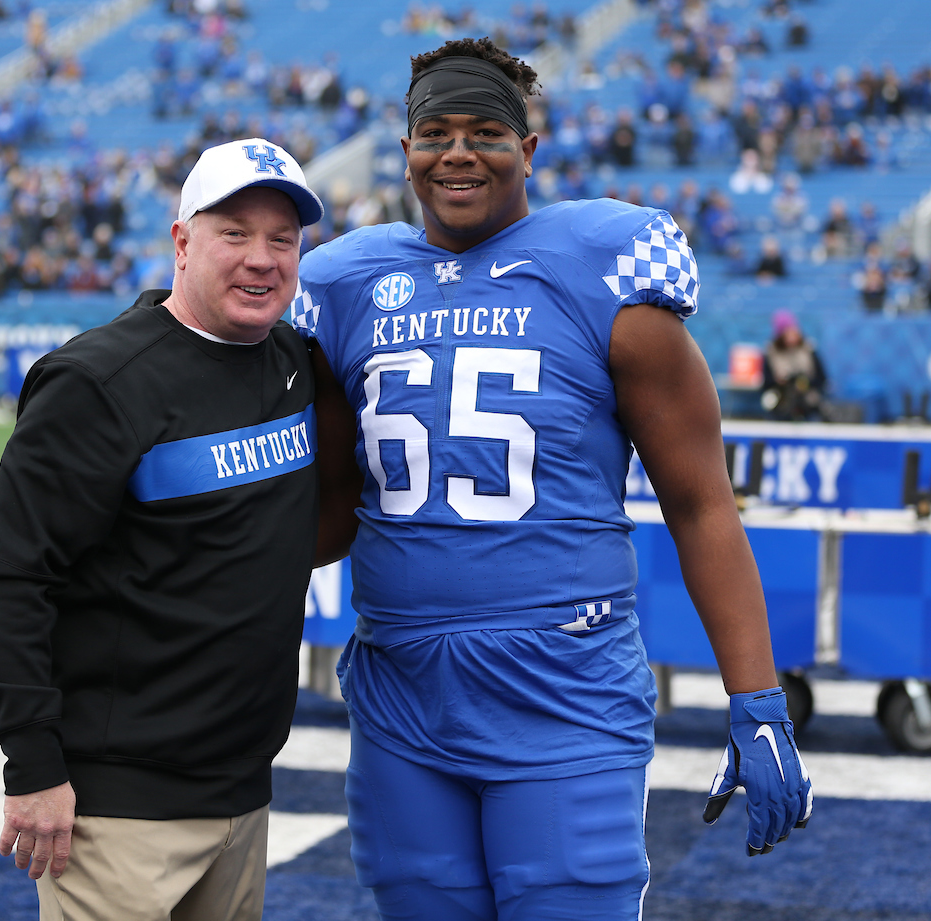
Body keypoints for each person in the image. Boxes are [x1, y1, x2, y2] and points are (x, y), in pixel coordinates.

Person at [295, 37, 812, 921]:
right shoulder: (345, 283)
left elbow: (699, 502)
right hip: (400, 684)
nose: (458, 153)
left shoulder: (601, 271)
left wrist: (756, 694)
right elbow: (329, 511)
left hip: (563, 680)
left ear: (528, 150)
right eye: (436, 133)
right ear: (407, 149)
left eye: (487, 131)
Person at [0, 138, 325, 921]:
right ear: (181, 240)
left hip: (245, 791)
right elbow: (9, 584)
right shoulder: (97, 384)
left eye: (282, 239)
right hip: (117, 810)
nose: (262, 259)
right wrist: (31, 766)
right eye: (234, 233)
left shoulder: (291, 359)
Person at [761, 310, 827, 421]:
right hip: (781, 400)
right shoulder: (771, 353)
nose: (791, 335)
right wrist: (779, 382)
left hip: (807, 399)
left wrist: (805, 382)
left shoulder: (808, 350)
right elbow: (766, 383)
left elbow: (821, 378)